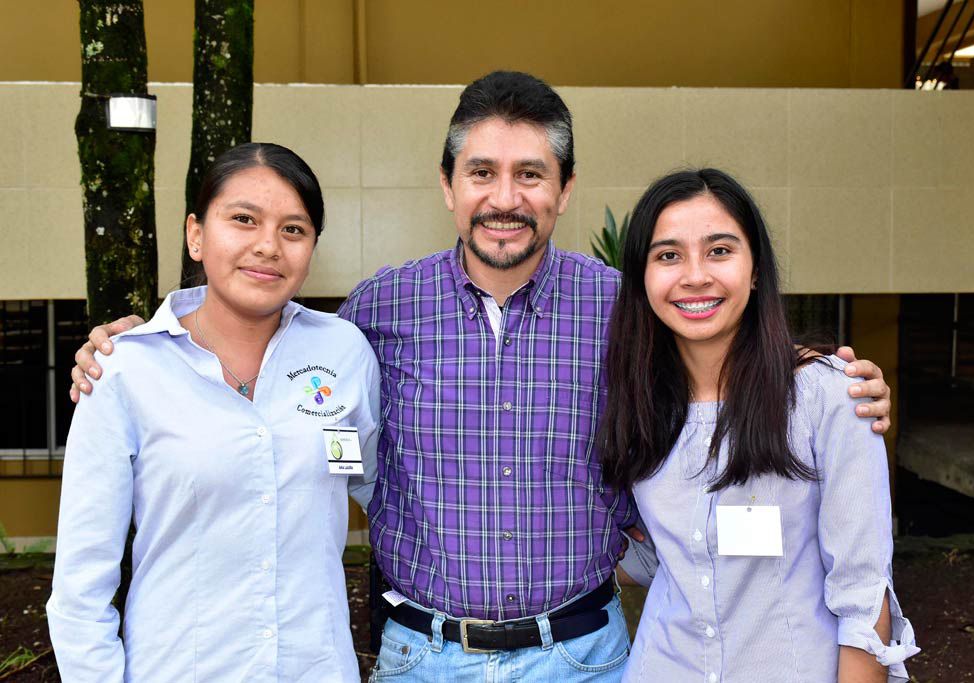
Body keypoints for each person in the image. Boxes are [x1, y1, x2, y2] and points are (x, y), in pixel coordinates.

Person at [70, 72, 893, 681]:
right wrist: (134, 342)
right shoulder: (374, 313)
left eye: (531, 174)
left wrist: (816, 373)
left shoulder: (624, 308)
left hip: (585, 654)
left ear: (565, 190)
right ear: (448, 185)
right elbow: (293, 387)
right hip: (422, 655)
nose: (507, 197)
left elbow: (712, 345)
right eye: (483, 172)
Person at [48, 143, 380, 682]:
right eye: (244, 220)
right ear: (196, 234)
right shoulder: (125, 371)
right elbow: (81, 587)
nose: (268, 246)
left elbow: (380, 487)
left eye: (294, 230)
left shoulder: (342, 354)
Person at [600, 168, 918, 682]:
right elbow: (660, 556)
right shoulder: (637, 400)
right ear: (642, 277)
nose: (695, 275)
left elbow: (863, 597)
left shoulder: (828, 396)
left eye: (720, 251)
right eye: (668, 255)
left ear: (754, 269)